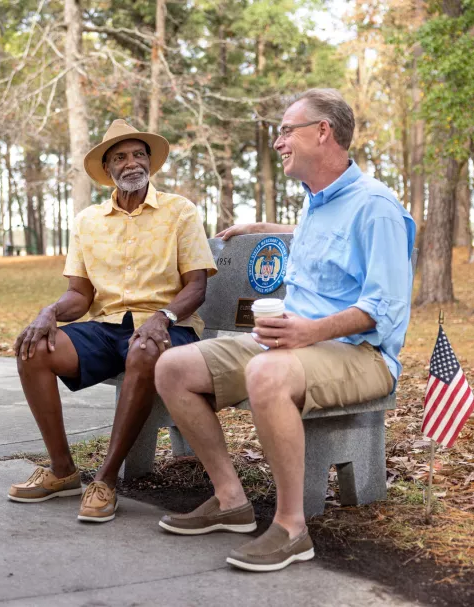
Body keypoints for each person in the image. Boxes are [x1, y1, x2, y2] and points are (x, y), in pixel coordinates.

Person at [153, 89, 415, 571]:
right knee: (172, 367)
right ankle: (231, 500)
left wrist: (308, 333)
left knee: (268, 374)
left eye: (286, 130)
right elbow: (330, 245)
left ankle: (292, 528)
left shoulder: (377, 207)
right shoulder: (317, 202)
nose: (277, 142)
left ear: (323, 132)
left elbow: (387, 308)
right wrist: (267, 227)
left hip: (360, 353)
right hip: (293, 344)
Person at [8, 119, 217, 522]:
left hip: (169, 328)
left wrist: (163, 316)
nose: (132, 162)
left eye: (139, 154)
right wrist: (48, 312)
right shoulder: (88, 221)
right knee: (33, 349)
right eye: (120, 157)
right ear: (108, 170)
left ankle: (105, 480)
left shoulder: (179, 211)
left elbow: (196, 287)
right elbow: (80, 295)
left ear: (150, 162)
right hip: (108, 327)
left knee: (144, 346)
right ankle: (63, 470)